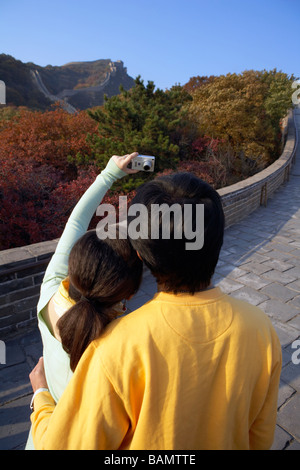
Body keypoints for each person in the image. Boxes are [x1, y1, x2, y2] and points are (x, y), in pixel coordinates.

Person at [29, 170, 282, 450]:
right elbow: (259, 438)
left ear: (140, 253)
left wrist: (41, 396)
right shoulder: (261, 330)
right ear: (216, 243)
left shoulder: (113, 348)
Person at [25, 152, 143, 450]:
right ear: (128, 293)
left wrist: (109, 174)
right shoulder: (124, 346)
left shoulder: (50, 291)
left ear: (74, 265)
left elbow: (75, 223)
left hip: (41, 436)